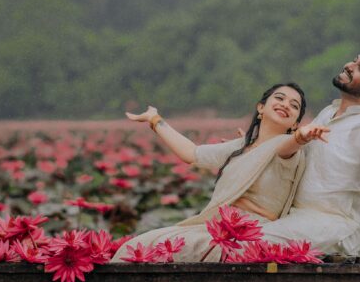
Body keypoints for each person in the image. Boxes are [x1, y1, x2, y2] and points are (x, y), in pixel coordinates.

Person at [111, 83, 329, 262]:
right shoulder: (240, 147)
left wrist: (302, 137)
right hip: (216, 229)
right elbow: (191, 153)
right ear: (261, 107)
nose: (285, 105)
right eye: (279, 98)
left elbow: (289, 145)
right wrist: (155, 120)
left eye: (294, 105)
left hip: (252, 236)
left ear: (296, 122)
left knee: (175, 250)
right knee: (137, 245)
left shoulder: (287, 149)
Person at [259, 51, 360, 256]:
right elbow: (296, 146)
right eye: (354, 61)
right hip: (296, 216)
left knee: (251, 241)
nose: (349, 65)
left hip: (335, 227)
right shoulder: (328, 113)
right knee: (227, 232)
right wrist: (255, 145)